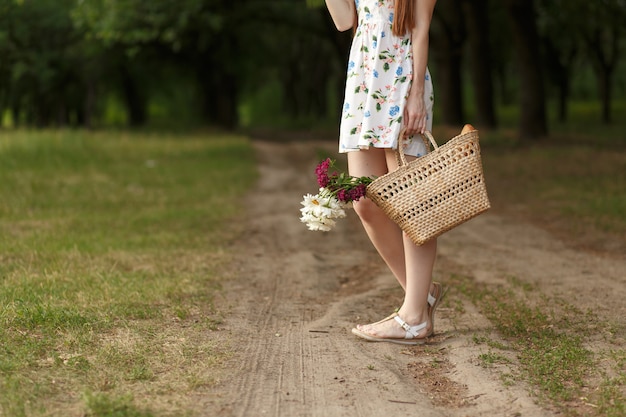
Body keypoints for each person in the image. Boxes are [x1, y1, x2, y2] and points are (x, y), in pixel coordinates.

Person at [325, 0, 441, 345]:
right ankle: (420, 296)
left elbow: (421, 29)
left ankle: (414, 318)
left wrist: (416, 95)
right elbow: (345, 22)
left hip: (401, 84)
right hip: (364, 84)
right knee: (363, 200)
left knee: (411, 205)